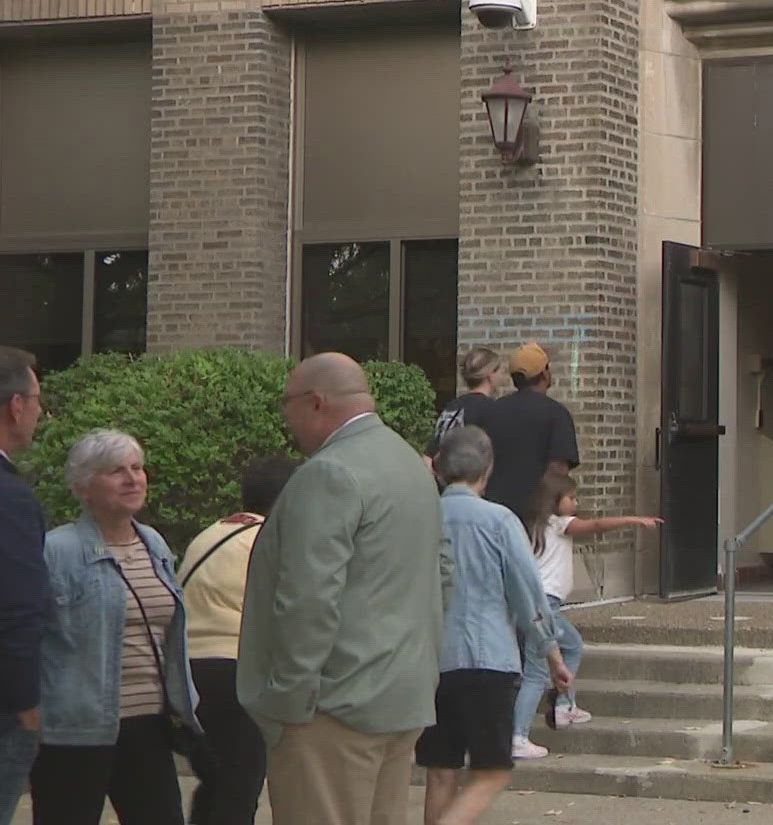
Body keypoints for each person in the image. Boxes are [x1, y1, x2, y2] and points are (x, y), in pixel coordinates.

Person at [240, 353, 450, 825]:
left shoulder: (329, 472)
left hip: (331, 709)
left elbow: (308, 598)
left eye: (286, 406)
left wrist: (289, 699)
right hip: (402, 694)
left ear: (316, 403)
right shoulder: (411, 464)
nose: (285, 420)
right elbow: (445, 572)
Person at [31, 429, 199, 825]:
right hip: (75, 728)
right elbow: (27, 635)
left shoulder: (154, 543)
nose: (132, 479)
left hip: (150, 726)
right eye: (115, 471)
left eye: (137, 468)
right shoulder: (56, 550)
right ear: (83, 487)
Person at [422, 427, 571, 825]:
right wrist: (552, 654)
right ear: (487, 469)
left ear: (437, 468)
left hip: (430, 659)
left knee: (440, 770)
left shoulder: (422, 516)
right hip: (488, 656)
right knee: (492, 770)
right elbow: (528, 595)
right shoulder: (499, 520)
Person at [179, 455, 300, 825]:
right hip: (236, 669)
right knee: (240, 787)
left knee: (217, 781)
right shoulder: (274, 539)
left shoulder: (213, 532)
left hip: (187, 674)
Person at [513, 472, 659, 759]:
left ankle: (565, 705)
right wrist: (634, 520)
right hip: (544, 607)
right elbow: (596, 525)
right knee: (535, 673)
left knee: (572, 644)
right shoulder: (559, 524)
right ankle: (518, 735)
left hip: (534, 605)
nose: (576, 502)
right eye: (571, 497)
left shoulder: (532, 527)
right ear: (555, 501)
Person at [0, 346, 47, 824]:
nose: (38, 412)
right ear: (16, 405)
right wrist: (26, 701)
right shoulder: (9, 498)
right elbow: (16, 606)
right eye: (36, 400)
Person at [472, 342, 580, 519]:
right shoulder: (556, 414)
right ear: (544, 373)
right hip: (535, 520)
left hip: (493, 514)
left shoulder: (490, 411)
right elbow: (558, 471)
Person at [426, 347, 509, 457]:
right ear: (490, 374)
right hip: (469, 471)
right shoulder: (491, 409)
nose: (502, 376)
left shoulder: (452, 407)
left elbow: (429, 455)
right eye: (500, 371)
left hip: (444, 470)